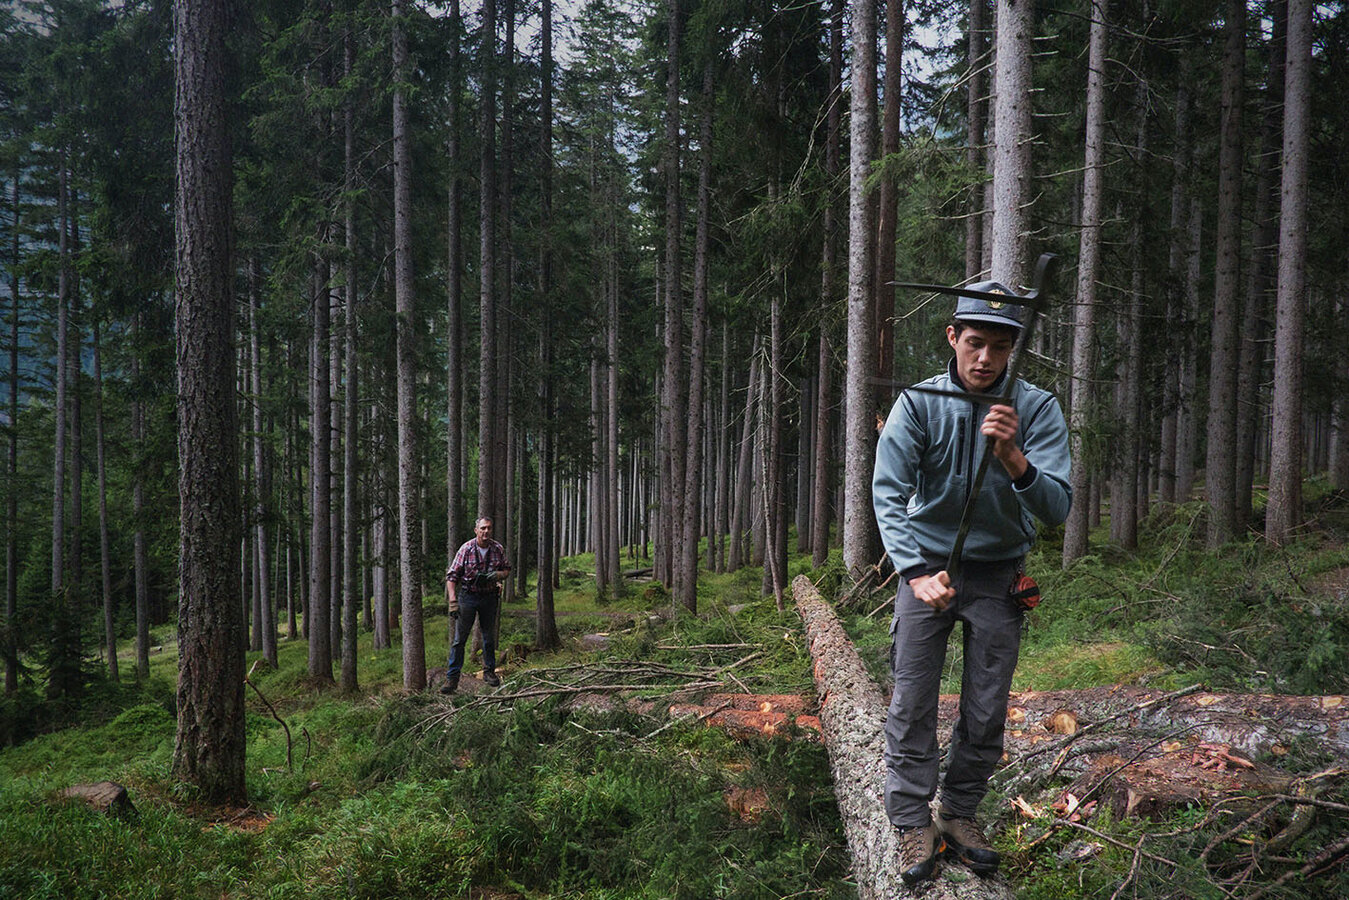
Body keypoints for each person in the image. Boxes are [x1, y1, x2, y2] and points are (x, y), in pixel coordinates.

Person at [871, 282, 1072, 887]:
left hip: (998, 575)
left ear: (1014, 349)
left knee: (986, 709)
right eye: (976, 343)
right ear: (953, 337)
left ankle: (959, 814)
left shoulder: (1034, 409)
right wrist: (911, 571)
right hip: (925, 568)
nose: (985, 359)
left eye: (1000, 347)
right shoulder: (918, 402)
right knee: (911, 701)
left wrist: (1015, 459)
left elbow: (1057, 506)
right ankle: (911, 820)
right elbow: (887, 492)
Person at [442, 516, 511, 694]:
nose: (486, 531)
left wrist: (497, 576)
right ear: (476, 531)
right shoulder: (466, 549)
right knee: (459, 639)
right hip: (468, 597)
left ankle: (489, 673)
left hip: (489, 597)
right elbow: (451, 577)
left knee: (488, 637)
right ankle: (452, 678)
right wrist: (452, 601)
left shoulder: (497, 549)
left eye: (488, 528)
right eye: (482, 528)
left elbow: (507, 570)